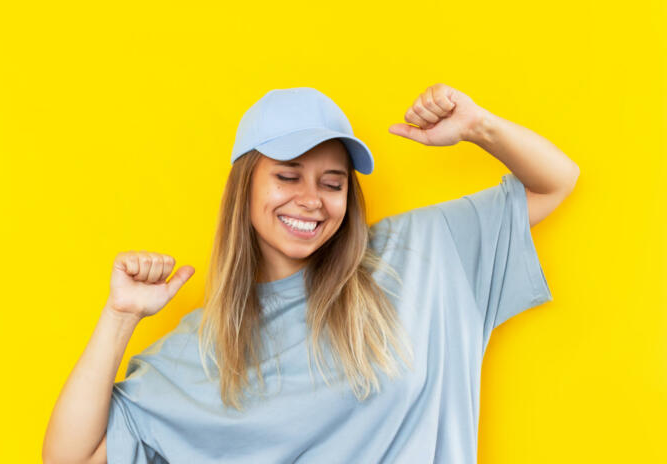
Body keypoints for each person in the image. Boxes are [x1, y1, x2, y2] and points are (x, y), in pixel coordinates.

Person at [43, 84, 580, 463]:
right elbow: (71, 458)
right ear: (245, 188)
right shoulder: (204, 348)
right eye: (287, 176)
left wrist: (478, 126)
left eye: (332, 182)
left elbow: (555, 181)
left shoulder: (415, 253)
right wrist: (119, 316)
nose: (311, 200)